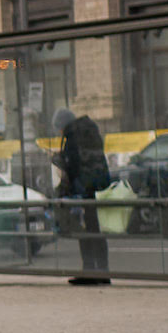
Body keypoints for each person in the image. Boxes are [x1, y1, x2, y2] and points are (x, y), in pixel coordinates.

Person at [55, 110, 111, 285]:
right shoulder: (89, 131)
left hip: (82, 190)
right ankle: (102, 272)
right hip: (94, 189)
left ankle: (89, 271)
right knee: (95, 230)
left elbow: (72, 166)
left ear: (62, 125)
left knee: (85, 231)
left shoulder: (73, 137)